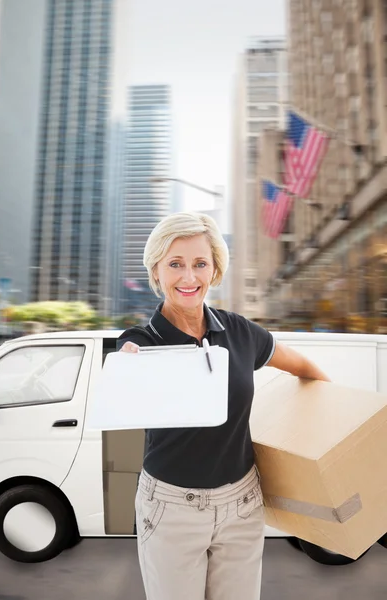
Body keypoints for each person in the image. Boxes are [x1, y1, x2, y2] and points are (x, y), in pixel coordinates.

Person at [117, 212, 330, 600]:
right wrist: (129, 361)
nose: (188, 277)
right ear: (157, 271)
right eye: (175, 264)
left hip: (242, 504)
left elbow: (304, 368)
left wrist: (336, 426)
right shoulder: (142, 341)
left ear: (215, 269)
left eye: (200, 264)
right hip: (171, 510)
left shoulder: (241, 332)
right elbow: (128, 360)